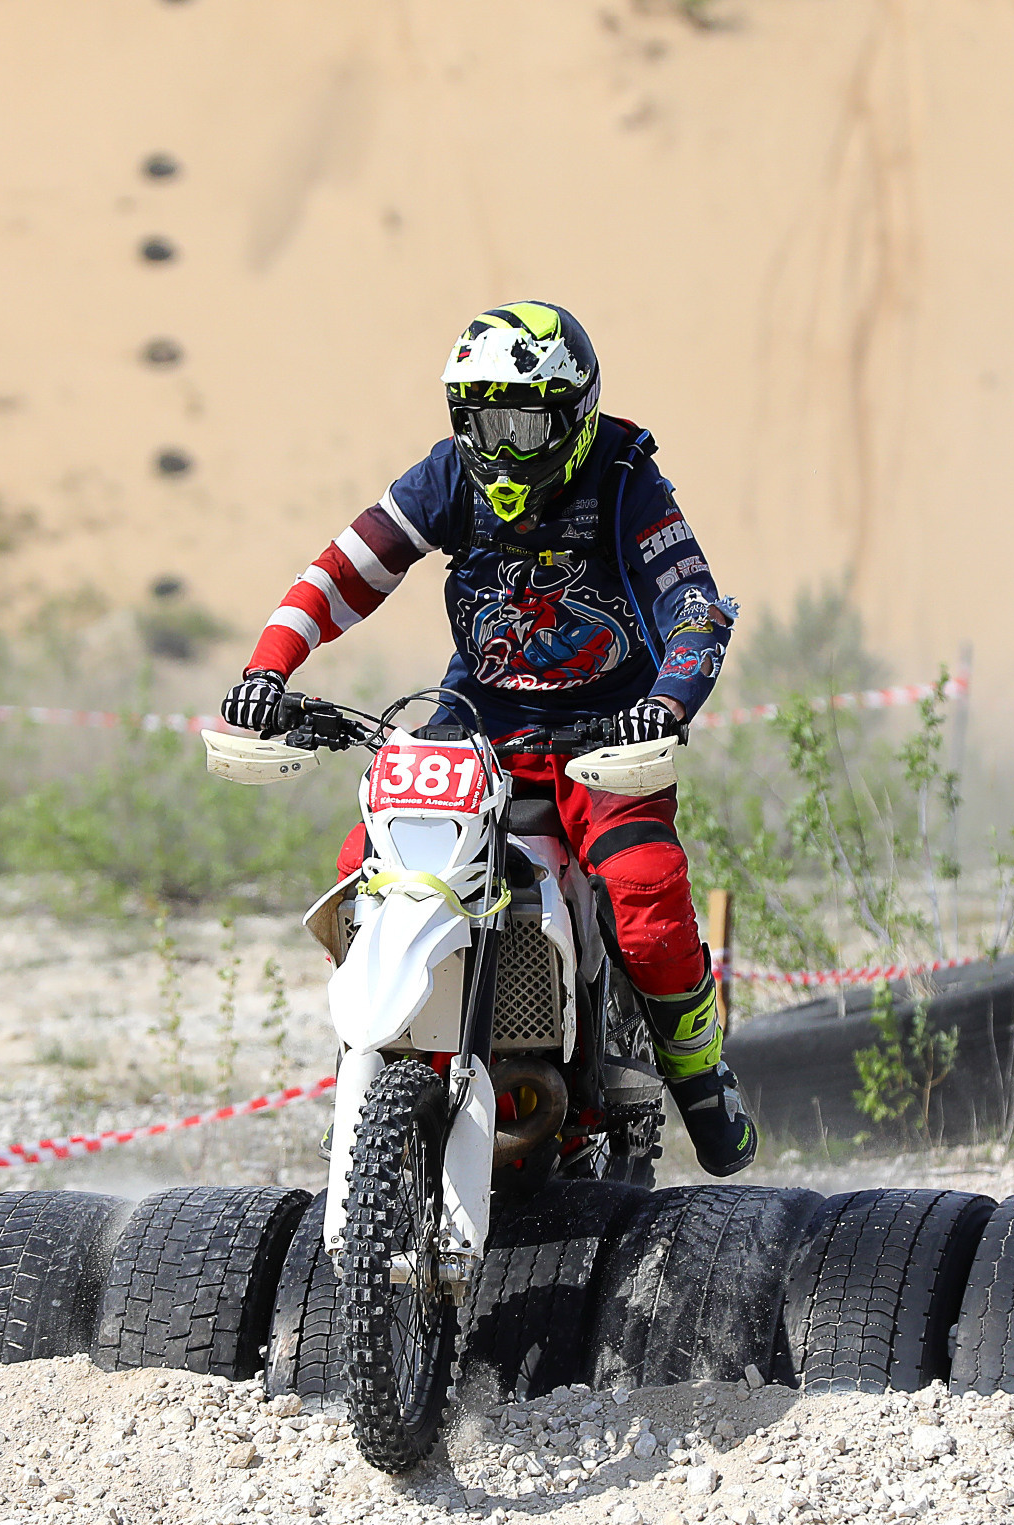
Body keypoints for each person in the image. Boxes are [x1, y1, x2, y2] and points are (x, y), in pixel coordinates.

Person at [218, 300, 759, 1177]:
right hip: (477, 726)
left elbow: (695, 605)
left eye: (519, 422)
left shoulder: (626, 481)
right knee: (373, 866)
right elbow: (341, 571)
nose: (498, 449)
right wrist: (266, 671)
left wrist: (666, 702)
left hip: (608, 733)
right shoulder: (447, 477)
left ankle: (700, 1073)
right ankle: (373, 1076)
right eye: (478, 422)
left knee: (646, 892)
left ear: (572, 413)